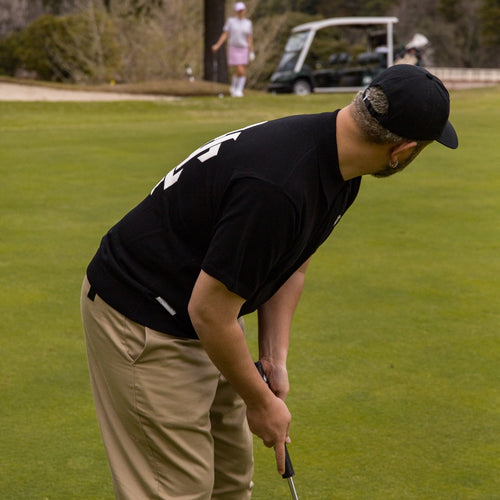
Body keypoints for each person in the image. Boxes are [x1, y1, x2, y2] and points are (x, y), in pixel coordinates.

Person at [81, 64, 458, 500]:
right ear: (403, 149)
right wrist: (261, 405)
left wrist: (273, 359)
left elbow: (293, 263)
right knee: (177, 490)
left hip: (206, 311)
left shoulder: (340, 164)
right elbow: (208, 310)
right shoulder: (278, 187)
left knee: (231, 483)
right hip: (143, 314)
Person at [212, 2, 254, 97]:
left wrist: (251, 51)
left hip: (244, 48)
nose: (240, 12)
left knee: (242, 71)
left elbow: (249, 38)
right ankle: (238, 90)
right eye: (239, 10)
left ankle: (235, 88)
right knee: (240, 70)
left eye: (242, 10)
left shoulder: (248, 23)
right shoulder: (231, 22)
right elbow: (225, 34)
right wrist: (217, 45)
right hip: (234, 48)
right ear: (236, 11)